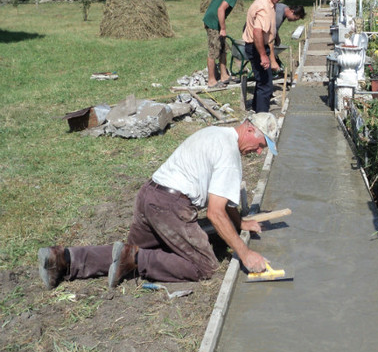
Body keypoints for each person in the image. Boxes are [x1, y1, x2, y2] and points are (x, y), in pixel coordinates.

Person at [38, 113, 280, 290]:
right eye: (261, 145)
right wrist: (245, 253)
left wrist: (241, 223)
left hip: (149, 195)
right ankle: (135, 260)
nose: (259, 152)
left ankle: (63, 259)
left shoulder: (216, 132)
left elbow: (226, 203)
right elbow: (216, 213)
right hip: (170, 206)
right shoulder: (230, 156)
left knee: (128, 252)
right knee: (205, 266)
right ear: (249, 131)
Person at [203, 0, 254, 88]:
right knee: (214, 51)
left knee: (223, 48)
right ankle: (211, 81)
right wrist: (223, 28)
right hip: (213, 23)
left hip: (211, 19)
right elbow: (221, 9)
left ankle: (224, 76)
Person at [242, 0, 286, 113]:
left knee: (262, 81)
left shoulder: (267, 2)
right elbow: (257, 32)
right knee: (266, 85)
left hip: (257, 46)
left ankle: (256, 108)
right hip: (256, 47)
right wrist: (263, 55)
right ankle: (262, 116)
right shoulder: (264, 7)